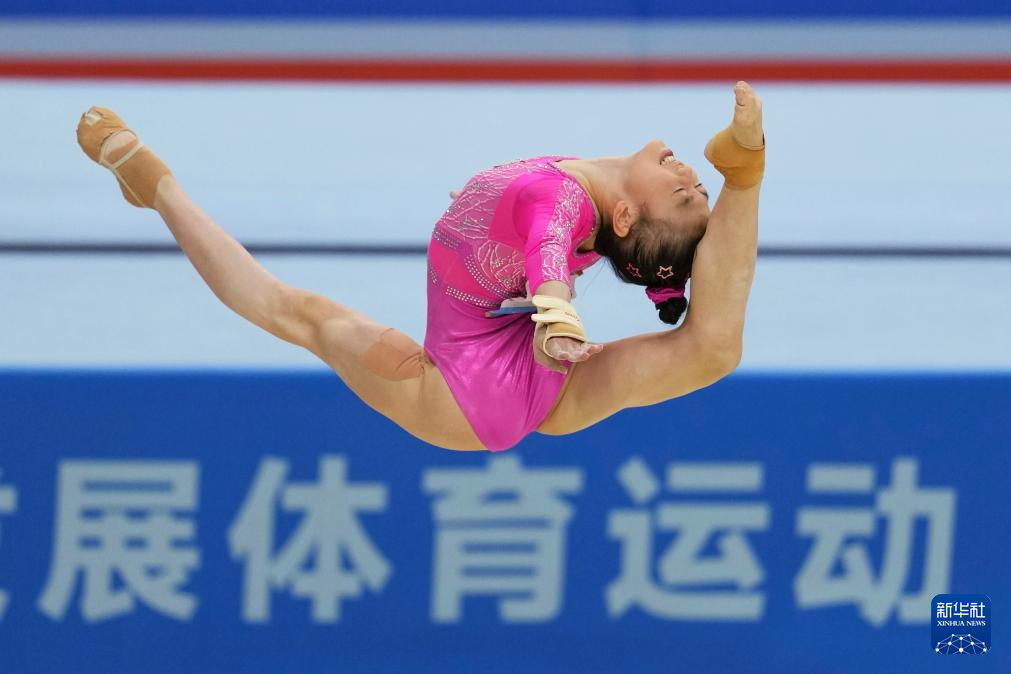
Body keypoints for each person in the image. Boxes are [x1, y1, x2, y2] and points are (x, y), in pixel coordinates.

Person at [75, 81, 765, 453]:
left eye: (685, 193)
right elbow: (570, 246)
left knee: (296, 314)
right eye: (701, 187)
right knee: (712, 351)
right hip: (550, 379)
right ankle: (746, 171)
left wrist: (557, 317)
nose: (688, 175)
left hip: (464, 398)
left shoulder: (562, 204)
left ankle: (157, 188)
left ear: (624, 217)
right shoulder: (602, 208)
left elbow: (549, 251)